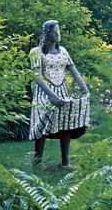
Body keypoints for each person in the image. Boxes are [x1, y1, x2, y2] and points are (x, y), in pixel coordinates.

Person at [29, 20, 90, 167]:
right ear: (47, 33)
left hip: (62, 91)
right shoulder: (35, 52)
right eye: (55, 31)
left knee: (66, 122)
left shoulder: (63, 51)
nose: (58, 34)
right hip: (44, 93)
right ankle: (37, 162)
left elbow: (74, 72)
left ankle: (65, 161)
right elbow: (36, 76)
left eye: (59, 30)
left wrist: (86, 90)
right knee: (42, 121)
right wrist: (51, 95)